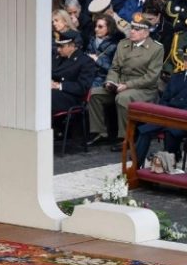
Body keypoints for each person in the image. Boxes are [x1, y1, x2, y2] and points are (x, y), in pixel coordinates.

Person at [87, 13, 163, 152]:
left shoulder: (156, 48)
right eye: (132, 28)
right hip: (120, 84)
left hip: (143, 89)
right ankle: (100, 133)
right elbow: (115, 68)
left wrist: (127, 85)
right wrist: (111, 81)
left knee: (123, 98)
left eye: (137, 29)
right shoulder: (123, 44)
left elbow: (151, 77)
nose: (132, 31)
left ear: (146, 32)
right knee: (95, 94)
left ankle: (126, 138)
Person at [134, 50, 187, 167]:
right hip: (168, 115)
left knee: (171, 132)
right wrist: (165, 112)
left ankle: (169, 165)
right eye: (186, 59)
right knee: (145, 130)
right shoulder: (177, 77)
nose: (186, 62)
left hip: (183, 120)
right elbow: (164, 99)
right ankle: (135, 166)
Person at [51, 30, 96, 114]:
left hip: (70, 98)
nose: (58, 49)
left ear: (72, 46)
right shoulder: (57, 57)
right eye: (58, 46)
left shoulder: (85, 61)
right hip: (55, 92)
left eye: (61, 46)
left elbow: (82, 87)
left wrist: (59, 85)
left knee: (47, 96)